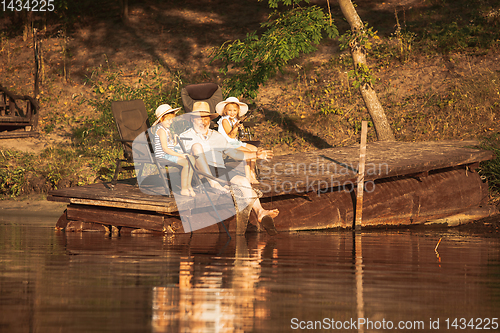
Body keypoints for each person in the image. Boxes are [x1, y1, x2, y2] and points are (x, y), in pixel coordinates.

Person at [180, 101, 279, 234]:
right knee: (196, 147)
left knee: (243, 181)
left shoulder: (216, 136)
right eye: (199, 118)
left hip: (220, 171)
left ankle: (260, 212)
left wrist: (256, 154)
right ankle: (213, 184)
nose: (203, 122)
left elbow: (233, 153)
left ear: (210, 119)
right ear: (192, 119)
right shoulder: (185, 136)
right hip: (200, 174)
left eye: (205, 118)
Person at [153, 104, 196, 197]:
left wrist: (175, 139)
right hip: (163, 155)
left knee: (192, 159)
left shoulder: (167, 130)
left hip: (169, 153)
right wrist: (180, 155)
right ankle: (184, 189)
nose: (171, 122)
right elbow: (165, 149)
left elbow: (171, 146)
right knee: (185, 163)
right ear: (161, 120)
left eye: (172, 119)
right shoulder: (161, 131)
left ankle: (188, 185)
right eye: (168, 119)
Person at [216, 97, 259, 184]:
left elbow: (239, 136)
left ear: (238, 111)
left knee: (254, 149)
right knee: (248, 152)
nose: (232, 113)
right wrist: (235, 127)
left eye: (234, 110)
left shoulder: (235, 120)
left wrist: (240, 129)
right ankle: (247, 177)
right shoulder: (224, 120)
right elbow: (231, 136)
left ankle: (252, 173)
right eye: (230, 110)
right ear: (225, 111)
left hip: (236, 142)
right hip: (227, 144)